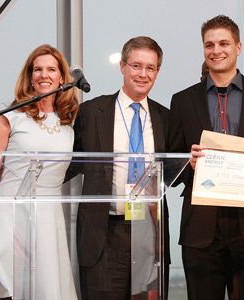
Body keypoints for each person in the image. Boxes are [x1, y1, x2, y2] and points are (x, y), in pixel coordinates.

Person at [168, 15, 244, 299]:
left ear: (238, 47)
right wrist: (188, 162)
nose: (216, 50)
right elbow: (171, 158)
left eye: (223, 43)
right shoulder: (182, 101)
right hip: (201, 227)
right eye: (209, 45)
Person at [0, 44, 79, 299]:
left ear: (62, 77)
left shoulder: (68, 122)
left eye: (51, 69)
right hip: (10, 218)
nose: (44, 75)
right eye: (37, 69)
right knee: (10, 291)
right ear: (30, 77)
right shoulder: (9, 119)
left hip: (50, 221)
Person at [66, 36, 169, 300]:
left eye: (150, 67)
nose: (142, 74)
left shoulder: (165, 118)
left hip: (149, 231)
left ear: (157, 72)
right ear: (122, 66)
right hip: (103, 232)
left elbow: (175, 171)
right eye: (136, 65)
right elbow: (70, 163)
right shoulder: (91, 112)